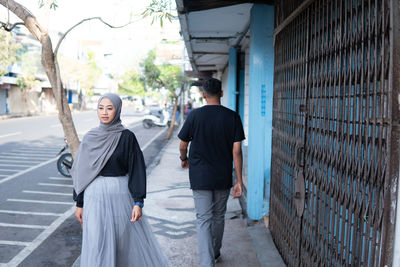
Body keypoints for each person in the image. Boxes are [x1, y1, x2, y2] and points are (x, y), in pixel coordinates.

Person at [71, 93, 170, 267]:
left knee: (122, 243)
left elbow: (136, 168)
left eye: (110, 108)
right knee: (96, 243)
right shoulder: (90, 137)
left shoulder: (126, 137)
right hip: (94, 197)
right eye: (101, 108)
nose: (105, 112)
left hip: (120, 196)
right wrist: (79, 203)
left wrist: (138, 202)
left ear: (117, 110)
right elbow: (81, 171)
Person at [178, 78, 245, 267]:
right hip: (222, 175)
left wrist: (184, 159)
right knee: (218, 216)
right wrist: (238, 180)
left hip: (200, 175)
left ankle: (207, 262)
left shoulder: (194, 116)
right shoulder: (233, 117)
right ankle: (214, 252)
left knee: (203, 219)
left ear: (203, 94)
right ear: (221, 93)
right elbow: (237, 151)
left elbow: (183, 144)